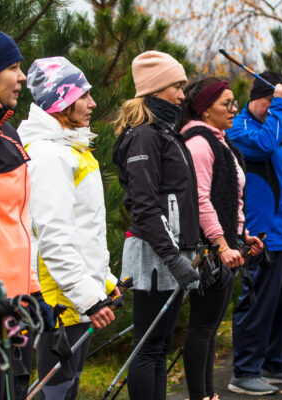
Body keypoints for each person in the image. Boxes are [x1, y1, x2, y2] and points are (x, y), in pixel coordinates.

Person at [18, 56, 119, 399]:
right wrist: (89, 298)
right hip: (59, 300)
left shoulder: (69, 148)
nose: (92, 103)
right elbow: (54, 237)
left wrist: (104, 284)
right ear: (59, 100)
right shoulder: (48, 156)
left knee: (68, 388)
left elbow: (86, 231)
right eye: (83, 95)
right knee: (57, 393)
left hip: (76, 296)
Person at [113, 50, 200, 400]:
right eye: (176, 87)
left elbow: (182, 198)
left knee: (160, 347)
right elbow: (145, 207)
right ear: (155, 88)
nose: (182, 95)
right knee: (148, 348)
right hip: (154, 256)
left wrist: (194, 249)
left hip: (171, 252)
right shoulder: (145, 136)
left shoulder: (167, 133)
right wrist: (174, 257)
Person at [225, 71, 282, 395]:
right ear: (256, 98)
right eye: (267, 102)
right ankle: (244, 370)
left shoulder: (279, 128)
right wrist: (280, 106)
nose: (271, 108)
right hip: (265, 235)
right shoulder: (242, 127)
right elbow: (264, 145)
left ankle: (273, 362)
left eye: (274, 102)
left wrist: (277, 110)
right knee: (259, 303)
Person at [178, 77, 264, 400]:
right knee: (202, 326)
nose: (233, 109)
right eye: (226, 104)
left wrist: (243, 236)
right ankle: (200, 396)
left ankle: (208, 394)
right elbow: (200, 200)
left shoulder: (221, 141)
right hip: (209, 250)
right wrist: (222, 244)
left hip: (225, 246)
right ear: (204, 109)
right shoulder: (199, 143)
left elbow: (231, 198)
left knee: (210, 326)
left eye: (234, 103)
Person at [0, 31, 55, 400]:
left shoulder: (8, 133)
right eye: (14, 67)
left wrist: (34, 292)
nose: (22, 78)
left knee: (17, 387)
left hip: (15, 308)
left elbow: (20, 224)